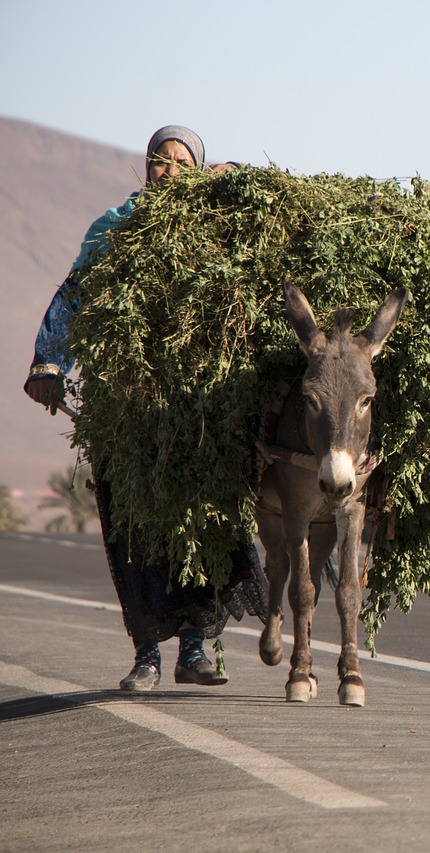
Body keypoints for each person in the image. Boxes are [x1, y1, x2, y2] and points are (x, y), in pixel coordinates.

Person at [24, 125, 266, 691]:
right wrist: (49, 364)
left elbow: (265, 211)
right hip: (128, 409)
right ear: (144, 168)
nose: (170, 170)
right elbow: (76, 295)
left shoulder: (217, 234)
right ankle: (147, 656)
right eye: (160, 160)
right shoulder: (115, 231)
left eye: (184, 162)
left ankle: (196, 650)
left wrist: (236, 177)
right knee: (133, 529)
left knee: (202, 521)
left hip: (197, 410)